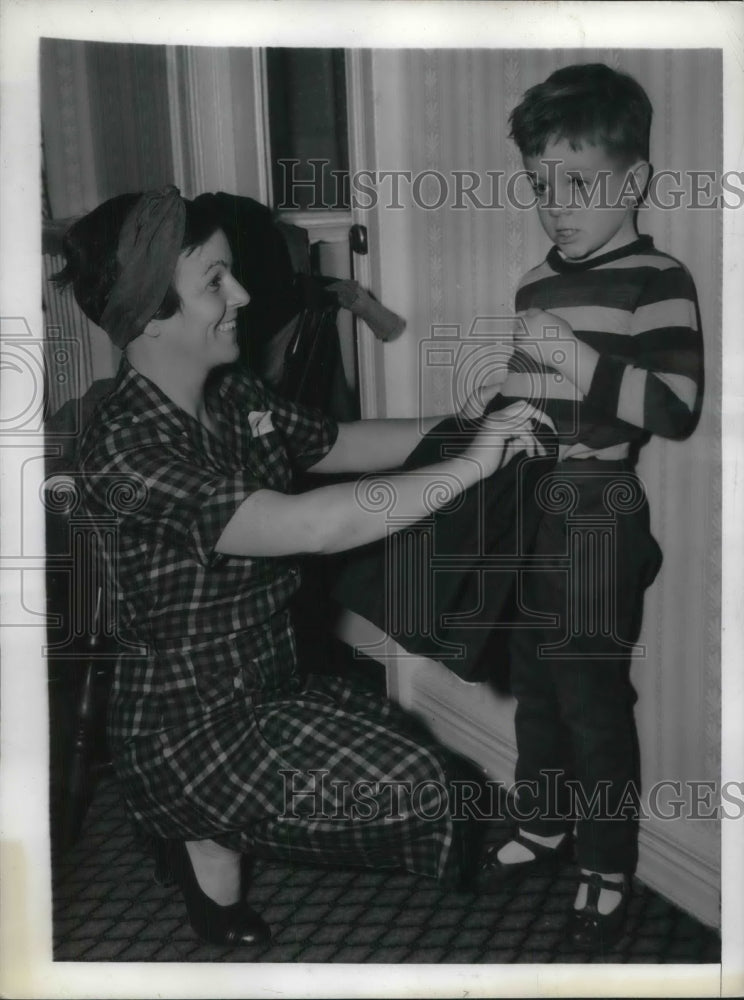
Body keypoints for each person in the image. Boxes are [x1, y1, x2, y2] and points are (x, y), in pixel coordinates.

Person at [57, 187, 544, 947]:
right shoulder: (126, 448)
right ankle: (193, 823)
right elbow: (308, 525)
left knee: (413, 755)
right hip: (188, 718)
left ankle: (199, 827)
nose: (243, 295)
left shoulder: (233, 391)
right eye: (216, 281)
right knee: (415, 791)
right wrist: (471, 468)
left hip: (273, 674)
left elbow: (337, 444)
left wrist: (473, 426)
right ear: (149, 311)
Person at [478, 63, 704, 951]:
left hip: (600, 507)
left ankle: (609, 862)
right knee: (534, 676)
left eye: (578, 183)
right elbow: (529, 389)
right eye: (541, 185)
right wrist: (504, 404)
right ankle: (545, 820)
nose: (555, 204)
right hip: (533, 496)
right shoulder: (536, 281)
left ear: (634, 181)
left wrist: (577, 364)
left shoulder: (658, 276)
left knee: (592, 695)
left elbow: (676, 408)